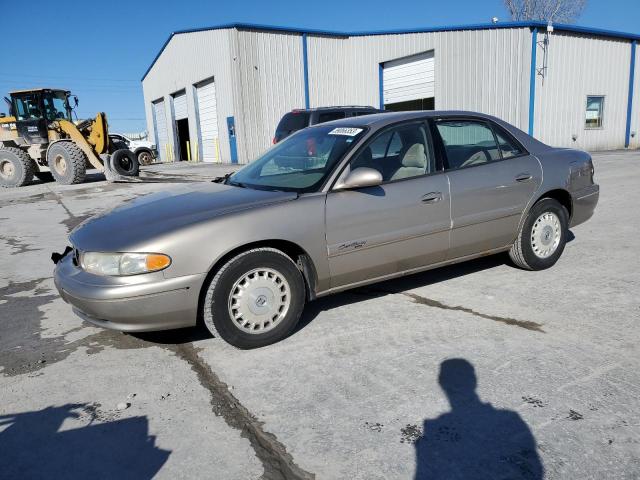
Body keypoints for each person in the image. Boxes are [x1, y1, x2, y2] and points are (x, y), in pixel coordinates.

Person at [415, 359, 543, 480]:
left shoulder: (433, 426)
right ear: (474, 381)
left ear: (441, 383)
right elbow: (536, 468)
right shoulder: (511, 418)